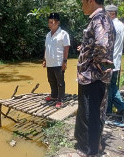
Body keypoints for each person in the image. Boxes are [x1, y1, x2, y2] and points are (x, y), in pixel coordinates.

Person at [75, 0, 116, 156]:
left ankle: (89, 150)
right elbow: (97, 43)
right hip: (92, 77)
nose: (82, 5)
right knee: (93, 113)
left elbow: (103, 45)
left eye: (83, 2)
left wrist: (96, 66)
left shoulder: (100, 18)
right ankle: (92, 145)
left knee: (90, 114)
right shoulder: (101, 18)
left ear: (90, 1)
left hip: (92, 77)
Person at [42, 12, 70, 109]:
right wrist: (44, 59)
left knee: (60, 82)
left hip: (58, 62)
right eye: (49, 22)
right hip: (50, 62)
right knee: (51, 80)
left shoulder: (63, 34)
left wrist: (65, 61)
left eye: (52, 22)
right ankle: (54, 96)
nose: (50, 24)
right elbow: (46, 47)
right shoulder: (48, 35)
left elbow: (66, 48)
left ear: (58, 22)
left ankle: (60, 100)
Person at [105, 4, 124, 115]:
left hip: (109, 61)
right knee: (112, 85)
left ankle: (108, 111)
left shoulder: (110, 25)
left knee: (108, 86)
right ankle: (120, 108)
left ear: (112, 14)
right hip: (117, 61)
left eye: (106, 13)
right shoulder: (122, 25)